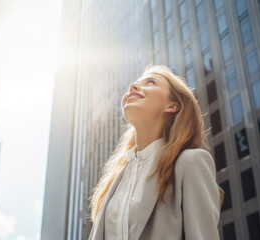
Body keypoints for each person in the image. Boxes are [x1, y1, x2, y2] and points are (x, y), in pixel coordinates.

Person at [88, 64, 224, 240]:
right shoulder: (114, 181)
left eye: (150, 82)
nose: (133, 86)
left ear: (172, 106)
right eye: (136, 82)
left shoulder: (191, 162)